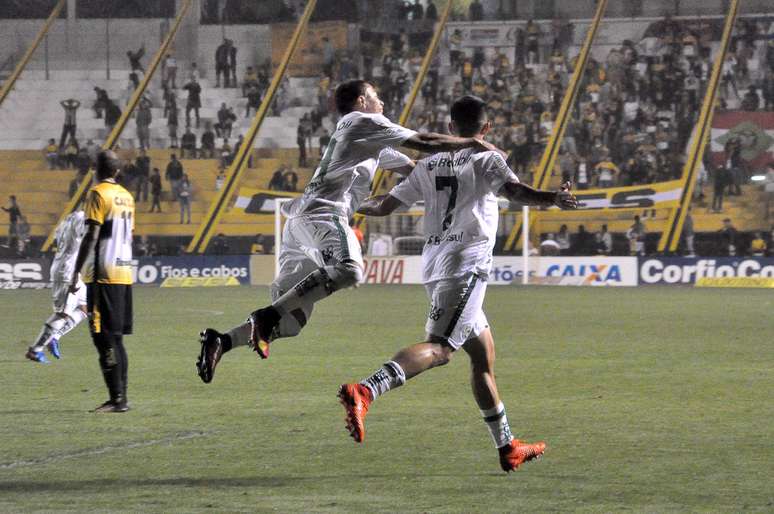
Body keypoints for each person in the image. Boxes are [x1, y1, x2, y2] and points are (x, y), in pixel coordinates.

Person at [195, 79, 502, 384]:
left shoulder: (367, 139)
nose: (381, 103)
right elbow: (426, 142)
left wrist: (459, 175)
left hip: (301, 224)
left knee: (292, 321)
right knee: (350, 270)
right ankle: (266, 316)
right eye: (375, 96)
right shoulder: (363, 121)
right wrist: (474, 143)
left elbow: (418, 168)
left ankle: (221, 340)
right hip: (323, 215)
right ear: (360, 102)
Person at [337, 95, 577, 472]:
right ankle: (366, 390)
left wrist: (347, 207)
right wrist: (554, 198)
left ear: (450, 129)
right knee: (441, 349)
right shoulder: (487, 156)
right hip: (465, 265)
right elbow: (514, 192)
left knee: (482, 357)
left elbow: (385, 206)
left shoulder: (429, 164)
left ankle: (507, 446)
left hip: (435, 263)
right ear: (486, 129)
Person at [68, 150, 134, 413]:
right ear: (116, 171)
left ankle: (116, 399)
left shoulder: (97, 194)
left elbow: (92, 234)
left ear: (95, 169)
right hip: (124, 273)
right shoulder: (127, 197)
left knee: (102, 338)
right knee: (116, 338)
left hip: (102, 275)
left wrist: (76, 271)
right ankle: (122, 398)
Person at [24, 210, 89, 363]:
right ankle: (35, 350)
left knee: (86, 307)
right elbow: (89, 239)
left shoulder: (68, 218)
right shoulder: (82, 219)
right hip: (67, 271)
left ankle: (55, 337)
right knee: (62, 314)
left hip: (67, 267)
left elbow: (55, 240)